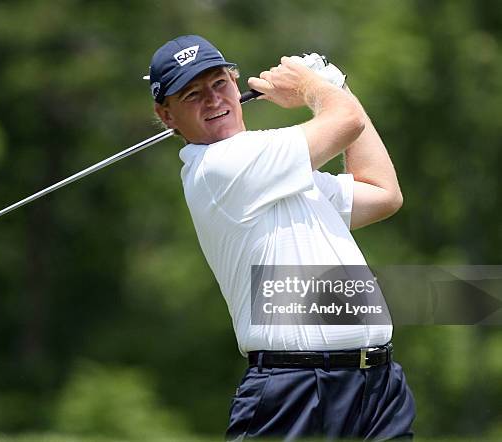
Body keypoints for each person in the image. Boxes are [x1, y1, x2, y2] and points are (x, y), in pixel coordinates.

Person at [146, 35, 416, 441]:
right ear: (166, 116)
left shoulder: (276, 169)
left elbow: (382, 193)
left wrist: (336, 87)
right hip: (297, 390)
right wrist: (315, 86)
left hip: (377, 386)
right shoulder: (219, 167)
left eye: (219, 84)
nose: (213, 100)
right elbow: (346, 122)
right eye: (192, 94)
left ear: (236, 85)